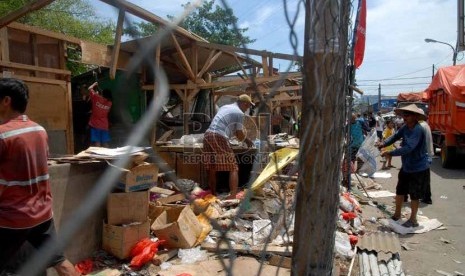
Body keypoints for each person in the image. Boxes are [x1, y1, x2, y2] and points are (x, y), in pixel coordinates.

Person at [0, 78, 79, 275]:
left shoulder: (3, 135)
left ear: (6, 101)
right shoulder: (39, 130)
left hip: (11, 218)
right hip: (42, 213)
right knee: (60, 261)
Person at [376, 104, 430, 228]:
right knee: (400, 190)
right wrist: (383, 143)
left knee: (414, 194)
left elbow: (408, 148)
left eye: (408, 115)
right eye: (404, 114)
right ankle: (397, 214)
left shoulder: (418, 129)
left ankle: (413, 219)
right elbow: (395, 137)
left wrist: (390, 152)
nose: (405, 117)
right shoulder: (405, 127)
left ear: (415, 117)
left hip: (418, 167)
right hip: (406, 166)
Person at [203, 94, 254, 199]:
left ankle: (212, 194)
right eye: (248, 106)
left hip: (208, 135)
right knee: (233, 167)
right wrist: (247, 141)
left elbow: (230, 128)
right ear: (244, 104)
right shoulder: (239, 113)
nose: (247, 109)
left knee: (212, 167)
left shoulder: (224, 107)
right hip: (218, 135)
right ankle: (233, 196)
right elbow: (239, 133)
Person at [83, 82, 112, 147]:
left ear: (103, 94)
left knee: (97, 143)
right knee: (105, 143)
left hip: (96, 125)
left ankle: (98, 156)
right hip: (104, 125)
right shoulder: (110, 103)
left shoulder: (96, 98)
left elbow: (90, 88)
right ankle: (108, 156)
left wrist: (94, 84)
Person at [419, 119, 434, 204]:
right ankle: (426, 197)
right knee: (426, 178)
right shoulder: (426, 125)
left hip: (422, 155)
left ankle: (426, 197)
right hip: (427, 154)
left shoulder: (420, 126)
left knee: (422, 178)